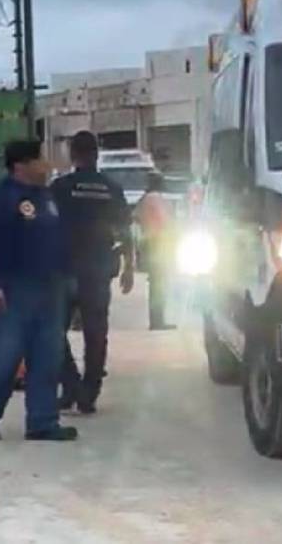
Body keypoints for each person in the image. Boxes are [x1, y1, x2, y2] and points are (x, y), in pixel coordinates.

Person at [0, 140, 77, 442]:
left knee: (47, 358)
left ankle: (43, 421)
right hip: (11, 290)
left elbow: (58, 240)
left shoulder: (47, 197)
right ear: (21, 166)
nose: (47, 165)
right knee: (4, 359)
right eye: (41, 160)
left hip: (50, 288)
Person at [51, 131, 135, 414]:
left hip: (64, 270)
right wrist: (130, 268)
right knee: (96, 334)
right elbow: (126, 232)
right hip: (98, 271)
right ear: (96, 154)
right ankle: (88, 393)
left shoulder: (60, 187)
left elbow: (45, 228)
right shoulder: (112, 188)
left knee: (53, 331)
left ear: (73, 154)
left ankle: (71, 384)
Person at [136, 172, 176, 331]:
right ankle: (158, 320)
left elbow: (137, 218)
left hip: (149, 243)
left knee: (156, 283)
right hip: (158, 244)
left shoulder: (145, 199)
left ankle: (157, 319)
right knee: (159, 284)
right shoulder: (155, 199)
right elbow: (165, 222)